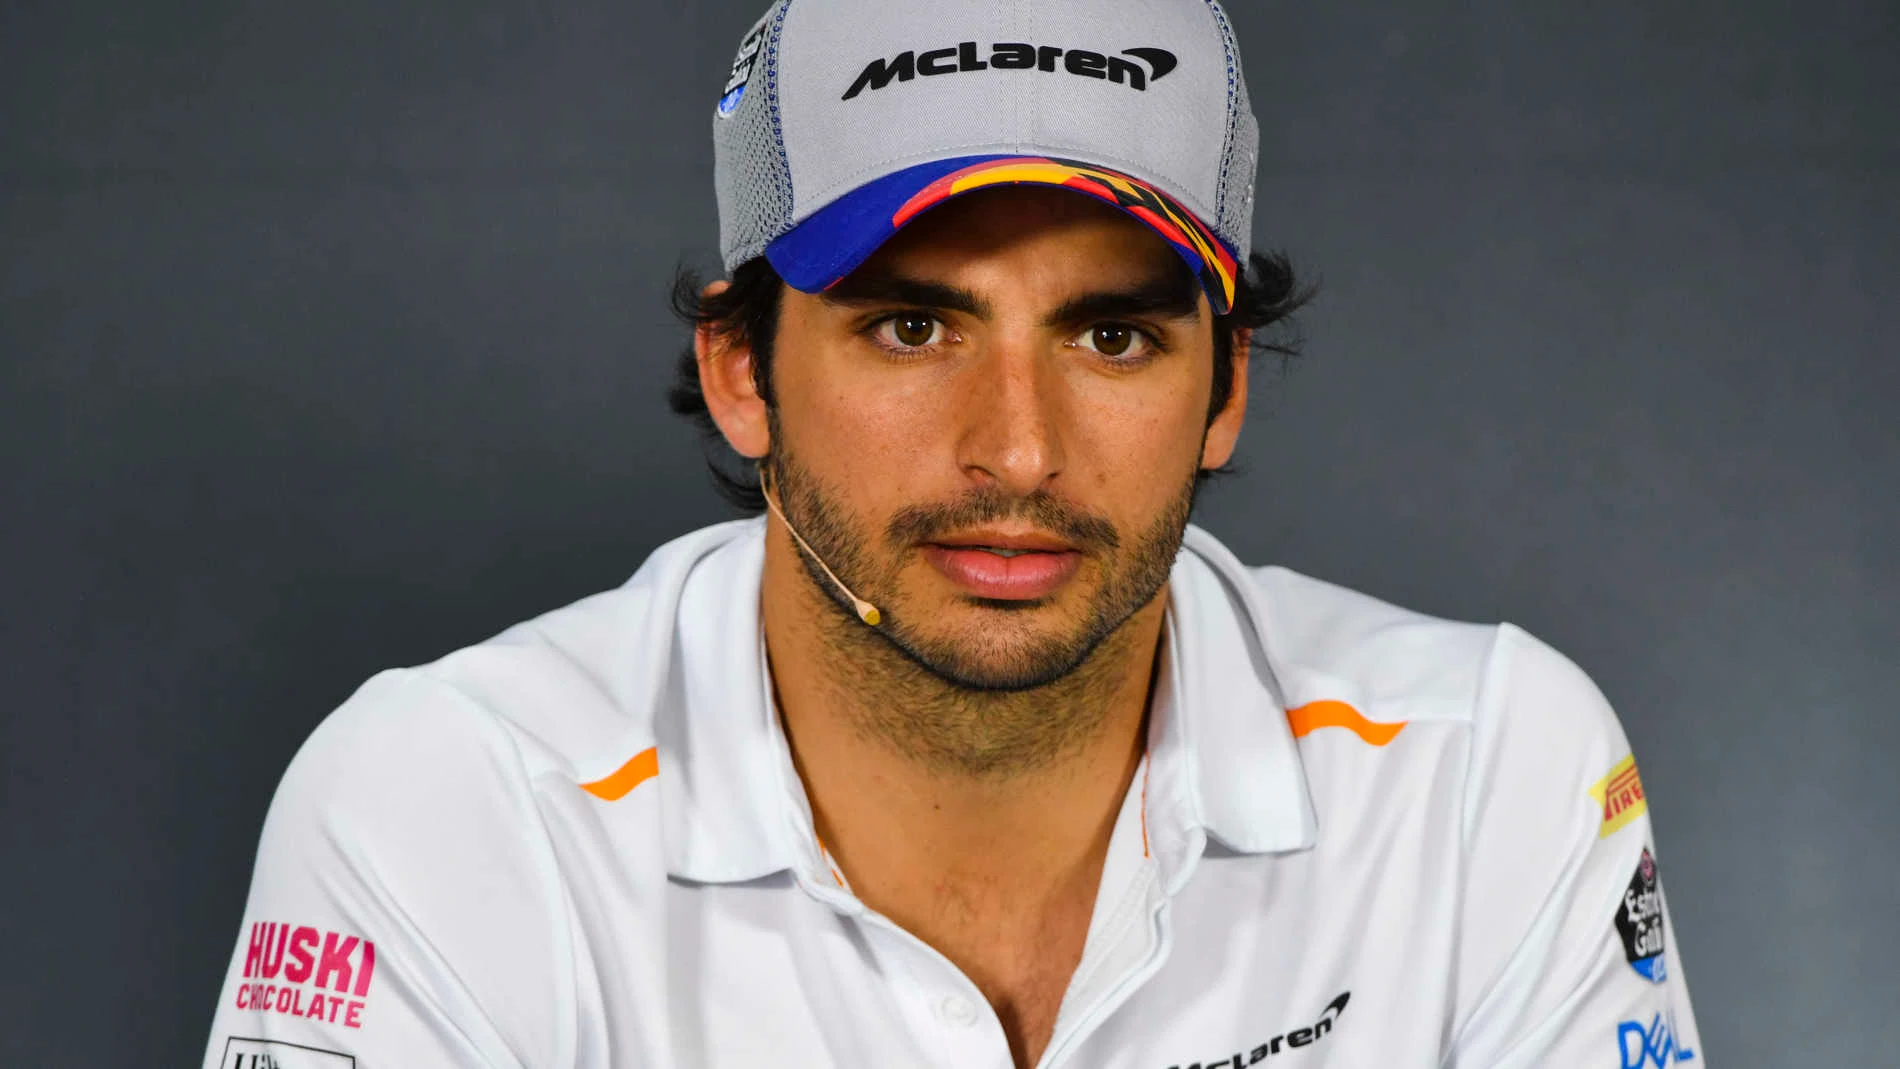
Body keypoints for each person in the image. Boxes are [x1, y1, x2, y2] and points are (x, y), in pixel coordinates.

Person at [202, 0, 1703, 1066]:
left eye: (1110, 338)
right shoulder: (452, 800)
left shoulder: (1483, 772)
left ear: (1225, 388)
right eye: (915, 325)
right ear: (742, 370)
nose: (1020, 447)